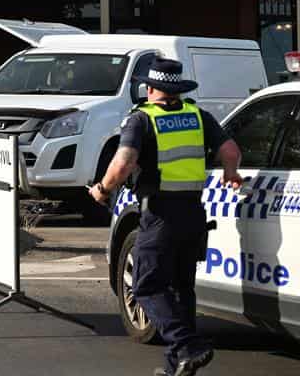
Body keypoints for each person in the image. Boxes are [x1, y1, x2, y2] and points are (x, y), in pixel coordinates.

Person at [89, 57, 242, 376]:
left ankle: (189, 345)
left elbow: (124, 163)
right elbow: (230, 149)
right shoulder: (198, 116)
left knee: (146, 286)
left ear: (150, 88)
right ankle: (178, 366)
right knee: (181, 288)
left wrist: (102, 189)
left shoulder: (142, 119)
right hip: (193, 214)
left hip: (160, 214)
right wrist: (231, 173)